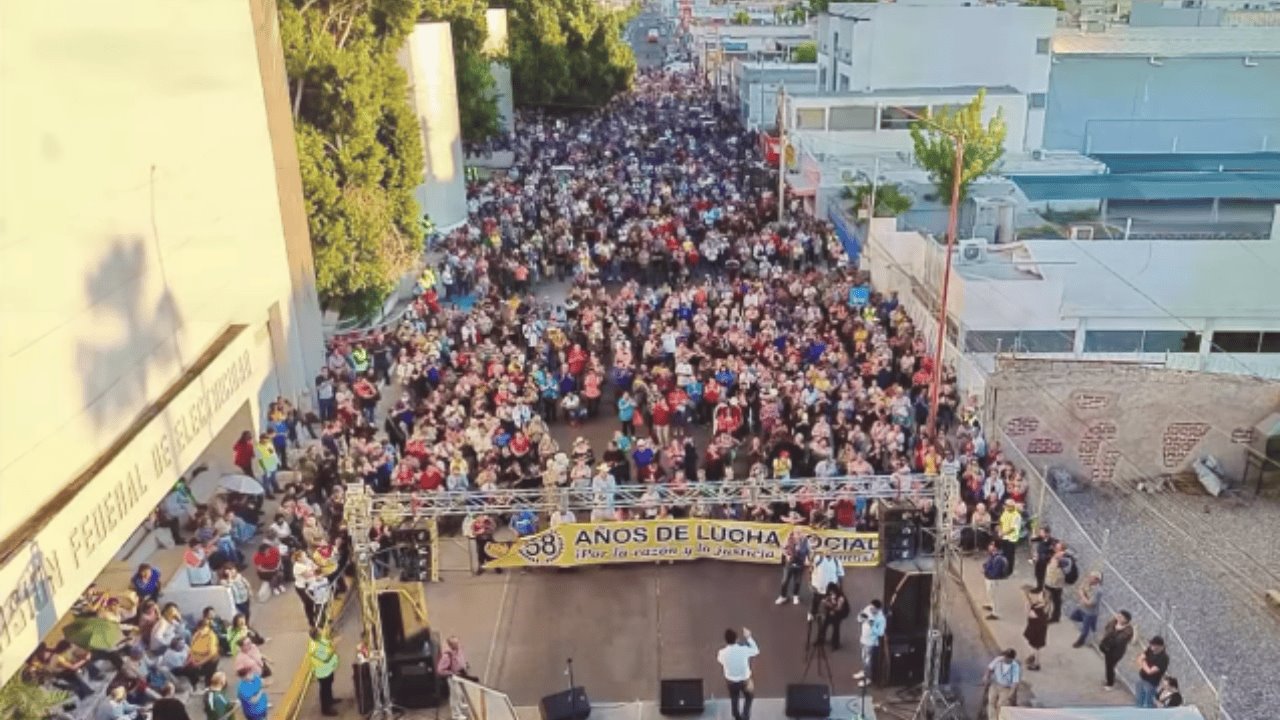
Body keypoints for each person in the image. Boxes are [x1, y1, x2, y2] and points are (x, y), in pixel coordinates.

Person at [716, 628, 759, 720]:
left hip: (731, 681)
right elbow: (756, 650)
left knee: (734, 698)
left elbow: (720, 660)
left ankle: (736, 716)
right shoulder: (743, 650)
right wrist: (748, 637)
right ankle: (745, 715)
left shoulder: (722, 653)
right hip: (745, 680)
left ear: (726, 640)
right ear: (737, 639)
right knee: (749, 697)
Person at [437, 636, 476, 719]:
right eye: (455, 643)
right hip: (454, 677)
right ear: (451, 645)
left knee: (460, 692)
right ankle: (456, 714)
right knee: (455, 696)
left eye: (457, 642)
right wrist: (452, 673)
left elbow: (461, 659)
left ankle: (460, 705)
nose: (458, 644)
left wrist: (465, 665)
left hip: (461, 674)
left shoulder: (459, 650)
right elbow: (440, 670)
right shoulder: (447, 656)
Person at [308, 627, 341, 716]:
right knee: (325, 689)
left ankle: (330, 700)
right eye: (319, 631)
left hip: (328, 669)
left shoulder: (319, 639)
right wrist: (334, 646)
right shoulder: (314, 647)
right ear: (316, 635)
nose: (321, 631)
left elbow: (326, 642)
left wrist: (332, 641)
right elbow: (325, 656)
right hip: (322, 672)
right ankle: (326, 709)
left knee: (329, 686)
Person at [1099, 610, 1135, 691]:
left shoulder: (1128, 629)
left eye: (1121, 617)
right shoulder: (1114, 622)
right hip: (1107, 647)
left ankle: (1110, 683)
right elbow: (1107, 629)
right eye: (1118, 615)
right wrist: (1115, 629)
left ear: (1126, 620)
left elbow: (1119, 640)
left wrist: (1117, 630)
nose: (1118, 617)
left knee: (1110, 666)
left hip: (1116, 651)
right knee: (1109, 665)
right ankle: (1110, 679)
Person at [852, 599, 885, 687]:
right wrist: (860, 617)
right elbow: (859, 619)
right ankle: (864, 672)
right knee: (863, 658)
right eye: (870, 607)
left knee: (868, 661)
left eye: (873, 608)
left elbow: (881, 633)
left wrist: (872, 626)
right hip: (863, 638)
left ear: (878, 609)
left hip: (870, 642)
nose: (870, 610)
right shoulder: (868, 608)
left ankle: (868, 679)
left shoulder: (881, 619)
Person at [983, 649, 1021, 720]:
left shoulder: (1015, 667)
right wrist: (986, 676)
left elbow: (1015, 682)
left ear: (1011, 658)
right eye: (1005, 656)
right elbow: (990, 668)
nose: (1005, 658)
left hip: (1006, 688)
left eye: (1007, 657)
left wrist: (1011, 693)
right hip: (995, 684)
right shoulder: (998, 660)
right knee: (991, 702)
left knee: (1001, 705)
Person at [807, 550, 844, 621]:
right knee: (815, 601)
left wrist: (841, 588)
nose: (828, 552)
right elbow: (810, 570)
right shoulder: (818, 559)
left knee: (830, 602)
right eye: (826, 550)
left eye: (830, 551)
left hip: (830, 589)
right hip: (817, 587)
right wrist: (810, 583)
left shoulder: (837, 561)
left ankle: (827, 615)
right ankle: (811, 613)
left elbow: (840, 575)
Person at [775, 529, 809, 605]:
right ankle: (783, 596)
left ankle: (795, 596)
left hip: (800, 564)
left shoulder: (805, 542)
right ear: (793, 535)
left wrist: (807, 560)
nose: (798, 535)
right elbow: (783, 548)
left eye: (800, 533)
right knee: (785, 581)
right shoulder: (789, 540)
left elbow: (808, 552)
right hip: (789, 564)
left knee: (797, 582)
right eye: (796, 533)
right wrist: (786, 555)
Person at [1135, 635, 1169, 708]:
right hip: (1141, 679)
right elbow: (1139, 658)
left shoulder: (1163, 658)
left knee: (1148, 704)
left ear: (1160, 646)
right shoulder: (1149, 650)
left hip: (1151, 684)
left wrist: (1143, 662)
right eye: (1151, 644)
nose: (1151, 646)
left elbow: (1150, 671)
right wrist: (1143, 661)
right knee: (1139, 702)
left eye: (1154, 645)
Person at [1070, 571, 1103, 648]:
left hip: (1090, 612)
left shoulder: (1098, 591)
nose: (1089, 578)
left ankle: (1080, 642)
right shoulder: (1087, 582)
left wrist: (1082, 595)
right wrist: (1083, 596)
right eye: (1090, 576)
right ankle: (1091, 626)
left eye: (1092, 577)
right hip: (1082, 607)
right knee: (1073, 616)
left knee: (1085, 631)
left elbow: (1090, 603)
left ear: (1097, 580)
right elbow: (1080, 588)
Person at [981, 540, 1009, 620]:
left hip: (993, 580)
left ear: (995, 547)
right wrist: (985, 567)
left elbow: (995, 573)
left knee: (994, 596)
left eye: (991, 545)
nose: (989, 546)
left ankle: (995, 613)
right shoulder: (993, 555)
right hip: (988, 578)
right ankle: (991, 605)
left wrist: (986, 571)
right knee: (989, 594)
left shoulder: (998, 558)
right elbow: (987, 564)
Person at [817, 583, 850, 650]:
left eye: (832, 591)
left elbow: (838, 608)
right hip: (831, 610)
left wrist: (829, 605)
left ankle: (835, 644)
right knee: (824, 625)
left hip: (841, 612)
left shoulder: (841, 597)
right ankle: (820, 640)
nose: (831, 593)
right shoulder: (829, 594)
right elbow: (826, 603)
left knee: (836, 627)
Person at [1022, 592, 1049, 671]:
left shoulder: (1039, 610)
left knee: (1036, 646)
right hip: (1036, 627)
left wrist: (1026, 604)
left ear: (1043, 599)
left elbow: (1029, 613)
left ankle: (1036, 664)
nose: (1037, 596)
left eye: (1040, 596)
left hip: (1037, 629)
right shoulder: (1041, 605)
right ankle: (1033, 655)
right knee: (1034, 645)